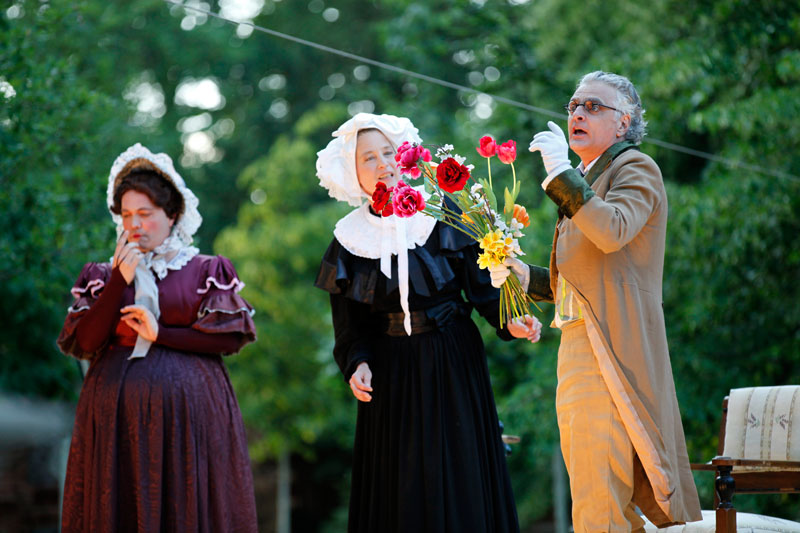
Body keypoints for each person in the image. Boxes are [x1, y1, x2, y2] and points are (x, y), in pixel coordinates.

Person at [492, 71, 703, 531]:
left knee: (597, 500)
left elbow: (611, 232)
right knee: (600, 491)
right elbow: (580, 280)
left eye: (592, 107)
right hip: (579, 340)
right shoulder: (589, 179)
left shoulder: (635, 167)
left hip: (609, 343)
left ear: (624, 123)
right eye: (572, 106)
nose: (578, 114)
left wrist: (559, 173)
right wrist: (521, 273)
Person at [314, 113, 542, 533]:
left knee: (459, 470)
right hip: (390, 372)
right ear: (353, 172)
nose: (383, 162)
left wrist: (512, 320)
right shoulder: (347, 238)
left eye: (388, 151)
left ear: (404, 155)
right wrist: (358, 363)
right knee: (400, 483)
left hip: (451, 357)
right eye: (369, 158)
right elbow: (349, 327)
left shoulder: (442, 213)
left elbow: (483, 289)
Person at [57, 143, 258, 532]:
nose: (134, 225)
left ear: (172, 215)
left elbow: (228, 340)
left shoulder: (204, 269)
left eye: (145, 215)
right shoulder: (101, 276)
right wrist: (119, 280)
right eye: (127, 215)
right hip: (115, 422)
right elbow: (84, 343)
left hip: (190, 421)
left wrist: (160, 333)